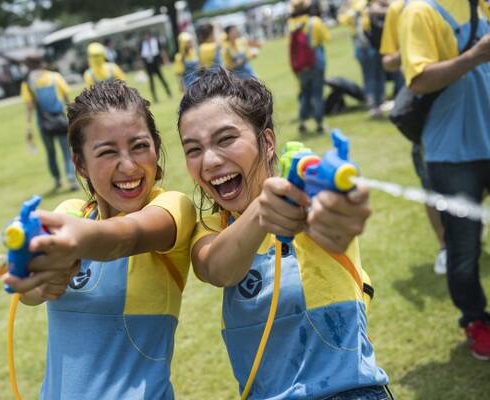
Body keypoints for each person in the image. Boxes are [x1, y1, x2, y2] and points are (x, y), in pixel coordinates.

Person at [177, 68, 389, 399]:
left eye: (226, 139)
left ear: (268, 141)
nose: (210, 161)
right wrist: (262, 210)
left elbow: (334, 224)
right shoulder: (212, 225)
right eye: (193, 149)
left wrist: (339, 206)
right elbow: (217, 269)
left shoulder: (306, 191)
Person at [4, 80, 196, 399]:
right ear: (80, 164)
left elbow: (124, 237)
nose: (129, 165)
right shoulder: (71, 212)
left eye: (139, 146)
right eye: (107, 152)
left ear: (156, 147)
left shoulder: (172, 209)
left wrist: (74, 240)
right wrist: (42, 282)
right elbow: (33, 293)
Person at [398, 0, 490, 360]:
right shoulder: (420, 11)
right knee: (463, 249)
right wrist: (474, 56)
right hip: (451, 152)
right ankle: (476, 321)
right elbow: (418, 79)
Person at [379, 0, 446, 275]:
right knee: (430, 180)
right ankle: (445, 247)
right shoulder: (402, 7)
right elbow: (388, 59)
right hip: (427, 109)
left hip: (471, 102)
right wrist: (412, 50)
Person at [21, 54, 77, 192]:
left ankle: (57, 179)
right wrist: (72, 117)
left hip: (43, 123)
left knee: (50, 153)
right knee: (67, 152)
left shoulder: (28, 83)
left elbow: (29, 106)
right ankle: (71, 179)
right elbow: (66, 98)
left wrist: (28, 126)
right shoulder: (55, 77)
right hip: (60, 120)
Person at [289, 0, 331, 135]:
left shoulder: (292, 25)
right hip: (316, 60)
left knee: (305, 93)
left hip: (301, 64)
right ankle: (319, 123)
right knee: (317, 94)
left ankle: (302, 121)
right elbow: (326, 38)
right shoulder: (314, 21)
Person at [340, 0, 387, 117]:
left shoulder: (353, 7)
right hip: (374, 42)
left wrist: (345, 7)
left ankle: (373, 103)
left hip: (360, 43)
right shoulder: (367, 4)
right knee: (378, 73)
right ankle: (379, 101)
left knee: (368, 75)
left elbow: (342, 20)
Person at [140, 31, 172, 103]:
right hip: (148, 65)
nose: (146, 38)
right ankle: (154, 97)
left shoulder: (155, 41)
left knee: (162, 79)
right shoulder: (143, 44)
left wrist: (166, 61)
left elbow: (162, 52)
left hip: (156, 63)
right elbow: (142, 55)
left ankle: (168, 92)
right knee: (151, 82)